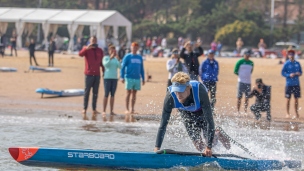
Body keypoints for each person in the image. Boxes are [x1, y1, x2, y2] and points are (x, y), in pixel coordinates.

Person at [154, 72, 230, 156]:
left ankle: (218, 134)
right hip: (186, 114)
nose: (178, 95)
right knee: (199, 146)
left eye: (180, 91)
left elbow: (209, 121)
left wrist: (209, 147)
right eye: (176, 91)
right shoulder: (170, 97)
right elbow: (163, 124)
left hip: (202, 112)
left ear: (188, 88)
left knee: (210, 141)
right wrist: (157, 148)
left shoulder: (200, 91)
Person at [79, 36, 104, 116]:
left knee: (95, 92)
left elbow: (101, 62)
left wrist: (103, 70)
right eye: (92, 40)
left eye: (95, 40)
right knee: (87, 92)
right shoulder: (87, 49)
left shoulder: (100, 50)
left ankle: (94, 109)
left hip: (97, 74)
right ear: (90, 41)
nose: (94, 42)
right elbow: (80, 54)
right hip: (89, 73)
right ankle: (84, 108)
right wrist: (86, 48)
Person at [120, 42, 145, 114]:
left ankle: (132, 109)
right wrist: (122, 77)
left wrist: (143, 78)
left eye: (136, 47)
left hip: (137, 78)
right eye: (133, 47)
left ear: (137, 48)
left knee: (134, 93)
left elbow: (141, 68)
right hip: (128, 77)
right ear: (131, 47)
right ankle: (127, 109)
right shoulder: (127, 56)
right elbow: (123, 67)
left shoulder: (139, 57)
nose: (135, 48)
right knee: (128, 93)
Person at [281, 49, 302, 119]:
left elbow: (301, 72)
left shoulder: (297, 63)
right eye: (290, 54)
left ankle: (296, 113)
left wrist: (299, 73)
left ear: (294, 55)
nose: (291, 56)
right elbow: (282, 73)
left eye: (292, 54)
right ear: (288, 55)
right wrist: (289, 75)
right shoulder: (286, 63)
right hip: (289, 84)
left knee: (296, 99)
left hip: (296, 84)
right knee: (288, 99)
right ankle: (287, 113)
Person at [102, 45, 121, 115]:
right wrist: (110, 58)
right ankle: (104, 110)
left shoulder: (115, 59)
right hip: (107, 78)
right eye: (111, 50)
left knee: (112, 95)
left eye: (114, 50)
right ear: (109, 51)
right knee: (106, 94)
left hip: (114, 78)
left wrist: (118, 59)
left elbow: (120, 66)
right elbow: (105, 65)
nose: (112, 51)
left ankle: (111, 111)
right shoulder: (106, 58)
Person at [234, 49, 254, 114]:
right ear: (244, 54)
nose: (248, 56)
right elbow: (235, 71)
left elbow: (251, 71)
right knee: (239, 97)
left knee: (247, 97)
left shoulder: (251, 63)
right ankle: (238, 111)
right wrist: (241, 76)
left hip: (248, 82)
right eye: (246, 55)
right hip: (241, 81)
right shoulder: (240, 61)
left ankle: (245, 111)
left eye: (249, 55)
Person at [199, 49, 219, 114]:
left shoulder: (216, 62)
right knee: (204, 96)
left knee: (213, 96)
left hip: (213, 81)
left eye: (212, 54)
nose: (211, 55)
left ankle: (212, 110)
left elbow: (217, 71)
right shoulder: (204, 62)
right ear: (208, 55)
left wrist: (214, 77)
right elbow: (200, 71)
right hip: (205, 81)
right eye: (210, 54)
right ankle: (202, 110)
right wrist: (203, 78)